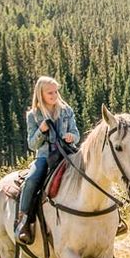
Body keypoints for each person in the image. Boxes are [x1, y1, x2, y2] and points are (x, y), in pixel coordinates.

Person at [15, 75, 79, 246]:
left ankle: (113, 219)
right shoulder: (33, 115)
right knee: (31, 180)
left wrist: (72, 136)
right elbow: (31, 144)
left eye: (56, 91)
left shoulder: (67, 111)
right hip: (45, 156)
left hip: (67, 153)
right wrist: (41, 130)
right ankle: (24, 222)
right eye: (49, 92)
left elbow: (76, 134)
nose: (54, 95)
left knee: (93, 171)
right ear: (40, 94)